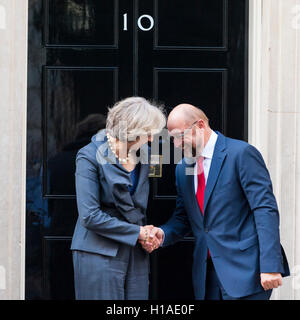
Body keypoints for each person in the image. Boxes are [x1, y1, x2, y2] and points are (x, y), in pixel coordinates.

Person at [142, 103, 290, 300]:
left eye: (179, 136)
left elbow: (265, 209)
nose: (176, 145)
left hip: (247, 272)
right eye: (172, 139)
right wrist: (162, 234)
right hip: (206, 276)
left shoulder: (241, 154)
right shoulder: (182, 169)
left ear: (200, 125)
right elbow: (184, 218)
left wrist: (270, 266)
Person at [71, 97, 166, 300]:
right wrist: (138, 232)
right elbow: (89, 216)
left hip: (136, 253)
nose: (151, 139)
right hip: (98, 252)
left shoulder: (149, 155)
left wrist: (150, 234)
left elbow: (148, 203)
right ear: (131, 131)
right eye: (147, 133)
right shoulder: (89, 156)